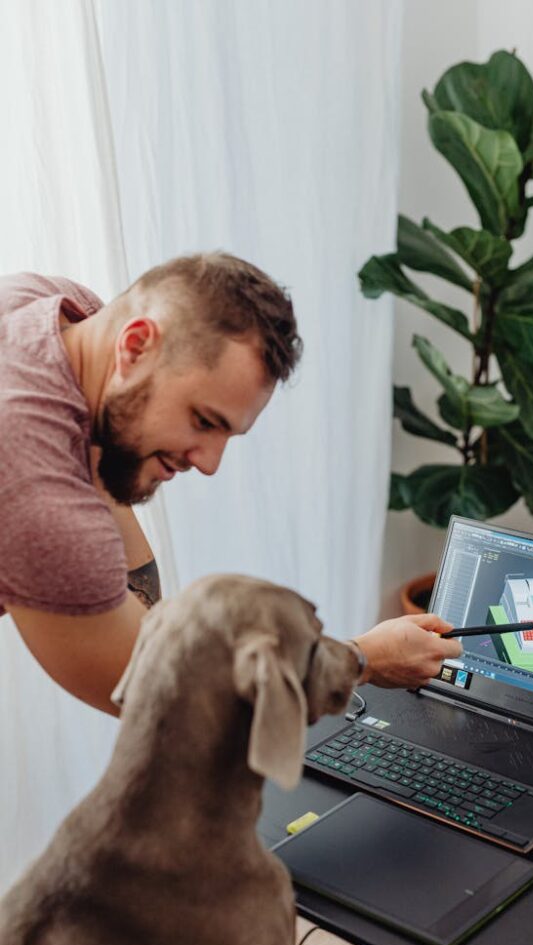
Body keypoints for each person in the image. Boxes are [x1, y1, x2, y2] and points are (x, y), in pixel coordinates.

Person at [0, 253, 462, 715]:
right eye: (203, 420)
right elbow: (161, 693)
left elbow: (148, 626)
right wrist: (365, 658)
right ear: (135, 345)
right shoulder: (36, 480)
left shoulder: (60, 311)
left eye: (227, 434)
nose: (209, 464)